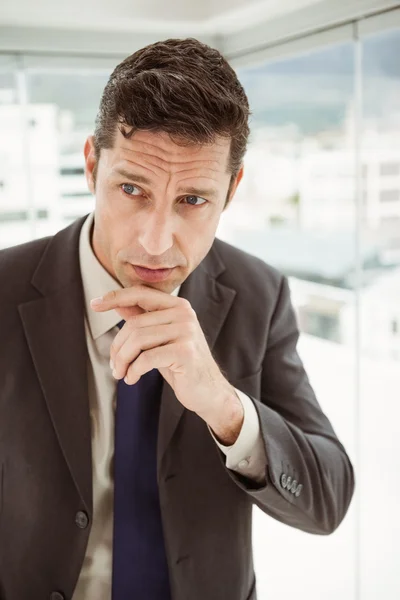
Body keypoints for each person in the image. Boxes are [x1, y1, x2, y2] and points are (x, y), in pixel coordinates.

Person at [0, 37, 354, 600]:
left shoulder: (259, 295)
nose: (156, 242)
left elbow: (328, 499)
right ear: (93, 165)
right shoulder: (4, 288)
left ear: (231, 191)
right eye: (132, 189)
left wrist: (225, 406)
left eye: (192, 200)